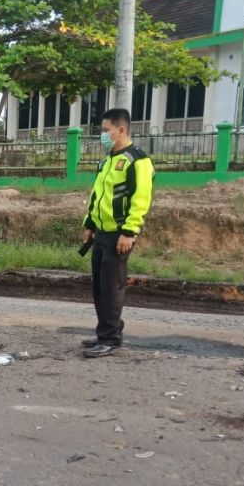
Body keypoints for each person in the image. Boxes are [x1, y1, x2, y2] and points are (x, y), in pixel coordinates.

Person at [80, 108, 154, 358]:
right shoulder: (106, 161)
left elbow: (141, 199)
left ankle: (109, 339)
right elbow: (97, 196)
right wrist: (89, 224)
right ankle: (106, 332)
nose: (102, 135)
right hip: (101, 233)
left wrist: (130, 231)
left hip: (119, 235)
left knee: (112, 288)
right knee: (100, 287)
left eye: (105, 131)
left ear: (121, 130)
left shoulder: (138, 161)